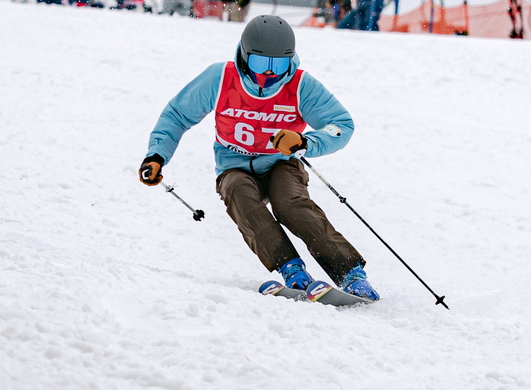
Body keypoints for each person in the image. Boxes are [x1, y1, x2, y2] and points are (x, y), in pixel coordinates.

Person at [139, 15, 379, 300]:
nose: (269, 73)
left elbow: (341, 125)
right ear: (244, 55)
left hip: (280, 162)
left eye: (278, 65)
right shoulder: (220, 78)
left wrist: (305, 141)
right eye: (259, 64)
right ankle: (292, 271)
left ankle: (351, 273)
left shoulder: (301, 86)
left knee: (290, 204)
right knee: (238, 192)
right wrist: (156, 155)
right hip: (234, 165)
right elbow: (177, 115)